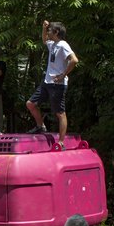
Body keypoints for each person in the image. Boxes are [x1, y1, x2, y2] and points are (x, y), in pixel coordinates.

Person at [26, 21, 79, 149]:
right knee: (30, 104)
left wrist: (63, 75)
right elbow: (44, 40)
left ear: (56, 32)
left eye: (50, 30)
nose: (48, 32)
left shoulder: (63, 45)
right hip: (47, 82)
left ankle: (61, 141)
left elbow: (74, 60)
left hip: (58, 84)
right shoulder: (53, 44)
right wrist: (43, 28)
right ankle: (40, 126)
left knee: (60, 113)